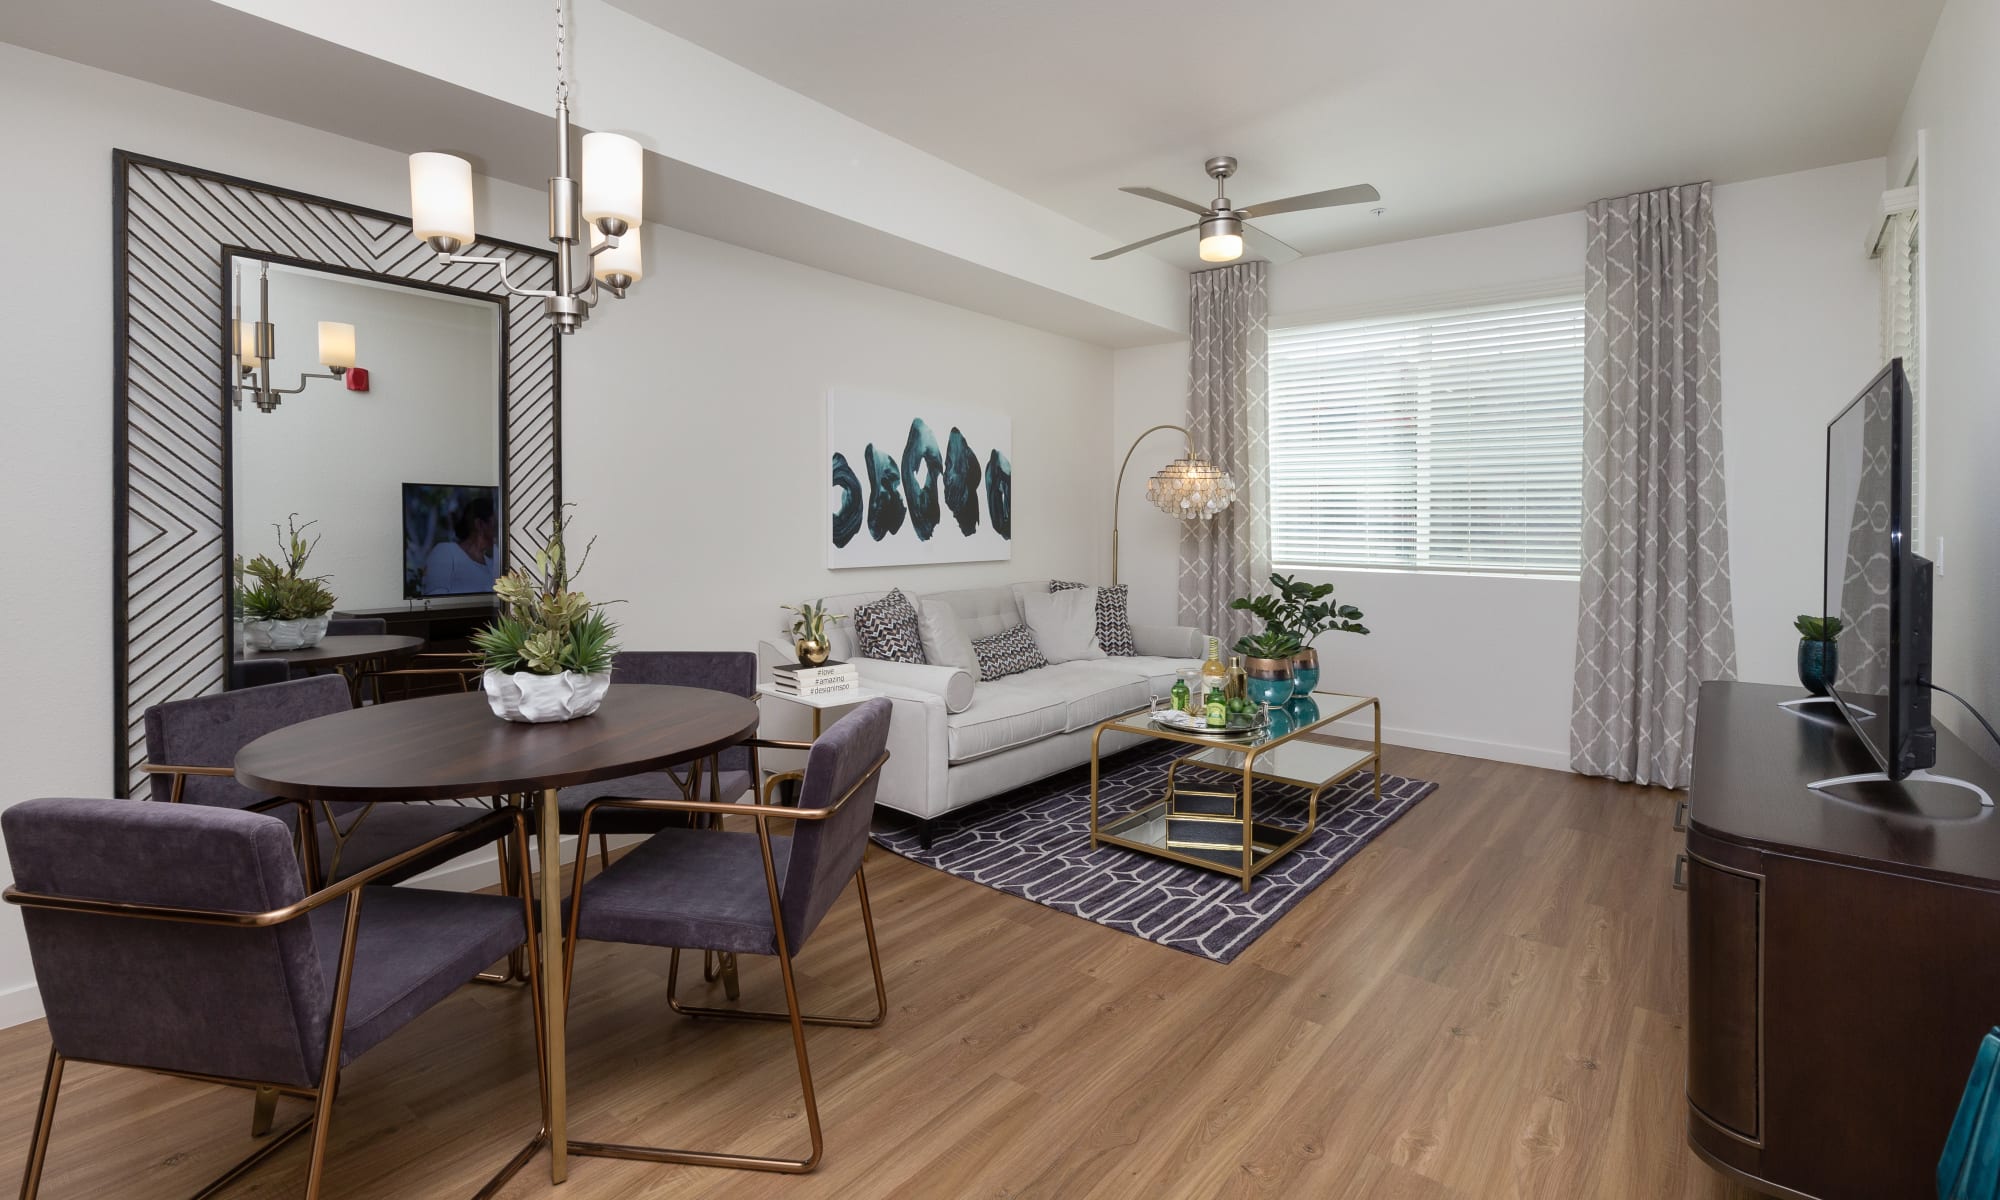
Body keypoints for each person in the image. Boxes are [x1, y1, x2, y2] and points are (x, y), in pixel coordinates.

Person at [421, 493, 500, 596]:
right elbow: (434, 599)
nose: (500, 530)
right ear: (479, 524)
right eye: (496, 524)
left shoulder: (492, 565)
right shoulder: (445, 552)